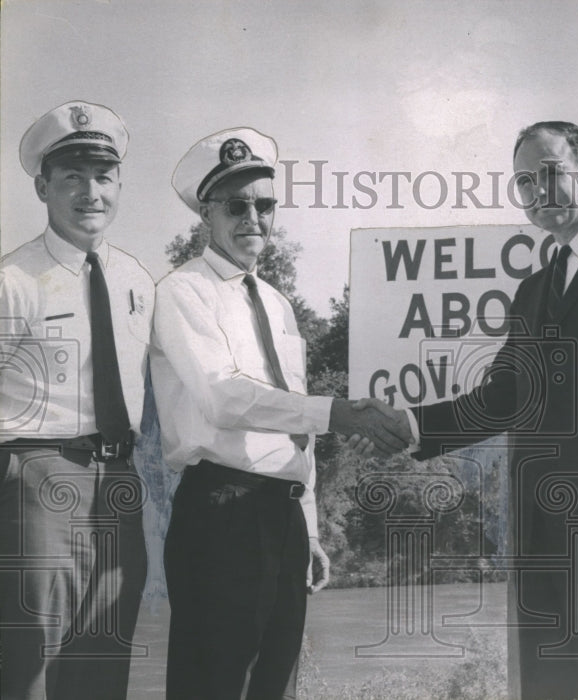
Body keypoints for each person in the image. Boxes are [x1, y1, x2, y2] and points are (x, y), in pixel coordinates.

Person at [357, 121, 578, 699]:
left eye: (549, 172)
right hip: (539, 531)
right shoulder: (532, 288)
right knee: (551, 687)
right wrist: (412, 426)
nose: (536, 190)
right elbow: (504, 397)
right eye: (523, 180)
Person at [151, 127, 410, 699]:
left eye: (265, 205)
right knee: (213, 686)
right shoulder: (182, 291)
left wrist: (311, 530)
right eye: (236, 205)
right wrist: (338, 412)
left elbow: (296, 433)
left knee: (275, 686)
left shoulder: (277, 303)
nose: (253, 218)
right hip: (221, 510)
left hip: (283, 515)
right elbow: (223, 396)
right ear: (206, 214)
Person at [0, 101, 150, 699]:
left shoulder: (137, 278)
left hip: (120, 480)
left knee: (103, 664)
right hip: (38, 476)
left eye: (103, 177)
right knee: (28, 667)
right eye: (72, 177)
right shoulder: (15, 280)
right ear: (43, 186)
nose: (91, 192)